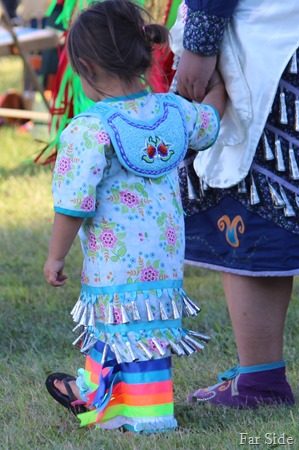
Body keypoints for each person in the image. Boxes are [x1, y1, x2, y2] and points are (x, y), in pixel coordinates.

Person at [43, 0, 226, 433]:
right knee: (143, 331)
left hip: (113, 262)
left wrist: (55, 257)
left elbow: (73, 204)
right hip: (162, 259)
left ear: (84, 66)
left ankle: (147, 415)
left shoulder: (90, 130)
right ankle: (98, 394)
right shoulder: (172, 112)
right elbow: (212, 118)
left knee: (116, 324)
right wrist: (218, 80)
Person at [173, 0, 299, 408]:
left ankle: (261, 381)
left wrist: (200, 42)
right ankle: (260, 378)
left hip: (273, 46)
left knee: (251, 203)